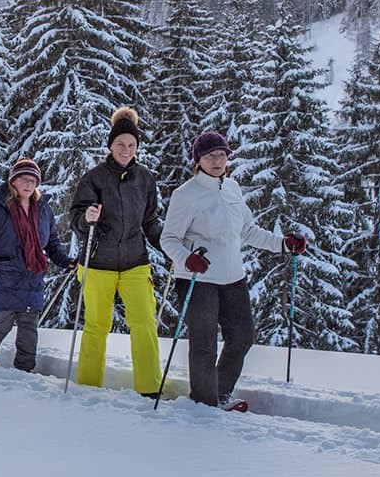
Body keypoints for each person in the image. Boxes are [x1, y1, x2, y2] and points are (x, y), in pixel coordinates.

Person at [160, 130, 308, 408]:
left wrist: (283, 244)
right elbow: (168, 239)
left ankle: (218, 394)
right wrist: (187, 259)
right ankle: (204, 404)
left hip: (232, 278)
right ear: (198, 160)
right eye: (210, 156)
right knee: (204, 346)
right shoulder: (186, 194)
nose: (217, 160)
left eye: (222, 154)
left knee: (242, 337)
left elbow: (247, 230)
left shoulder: (232, 188)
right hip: (197, 279)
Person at [69, 107, 163, 396]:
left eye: (132, 145)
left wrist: (170, 246)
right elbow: (76, 218)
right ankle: (87, 386)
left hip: (135, 261)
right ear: (111, 145)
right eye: (121, 144)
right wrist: (87, 218)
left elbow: (150, 220)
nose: (126, 150)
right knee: (97, 325)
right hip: (99, 262)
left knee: (145, 323)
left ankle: (149, 388)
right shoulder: (94, 178)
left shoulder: (145, 179)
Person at [0, 157, 74, 371]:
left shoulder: (43, 208)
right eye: (24, 179)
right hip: (2, 274)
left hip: (31, 275)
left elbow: (52, 242)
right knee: (1, 323)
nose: (29, 184)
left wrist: (65, 262)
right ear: (13, 181)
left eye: (33, 180)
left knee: (28, 327)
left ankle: (25, 370)